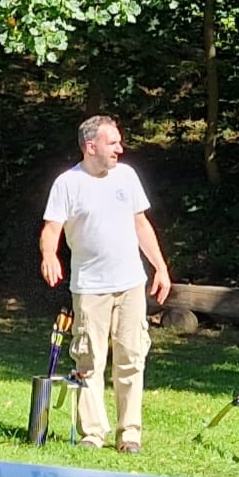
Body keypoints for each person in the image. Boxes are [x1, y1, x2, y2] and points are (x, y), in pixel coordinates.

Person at [40, 115, 171, 453]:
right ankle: (92, 434)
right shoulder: (67, 184)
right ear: (91, 146)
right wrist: (50, 256)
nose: (119, 149)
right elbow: (51, 229)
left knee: (131, 357)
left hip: (130, 285)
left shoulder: (126, 176)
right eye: (112, 143)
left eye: (119, 142)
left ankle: (130, 435)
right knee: (89, 360)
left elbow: (141, 224)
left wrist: (160, 267)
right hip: (89, 288)